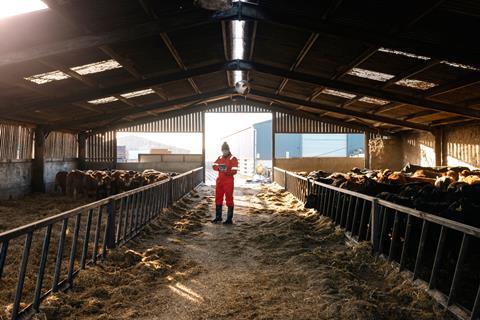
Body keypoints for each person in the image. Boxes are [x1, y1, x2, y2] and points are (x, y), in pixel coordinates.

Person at [211, 142, 238, 224]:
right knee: (218, 198)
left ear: (228, 150)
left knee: (229, 199)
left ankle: (229, 219)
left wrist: (227, 171)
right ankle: (218, 217)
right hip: (219, 181)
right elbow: (213, 165)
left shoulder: (233, 158)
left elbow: (234, 170)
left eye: (225, 150)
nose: (224, 152)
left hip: (228, 181)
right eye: (223, 150)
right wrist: (220, 168)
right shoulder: (219, 157)